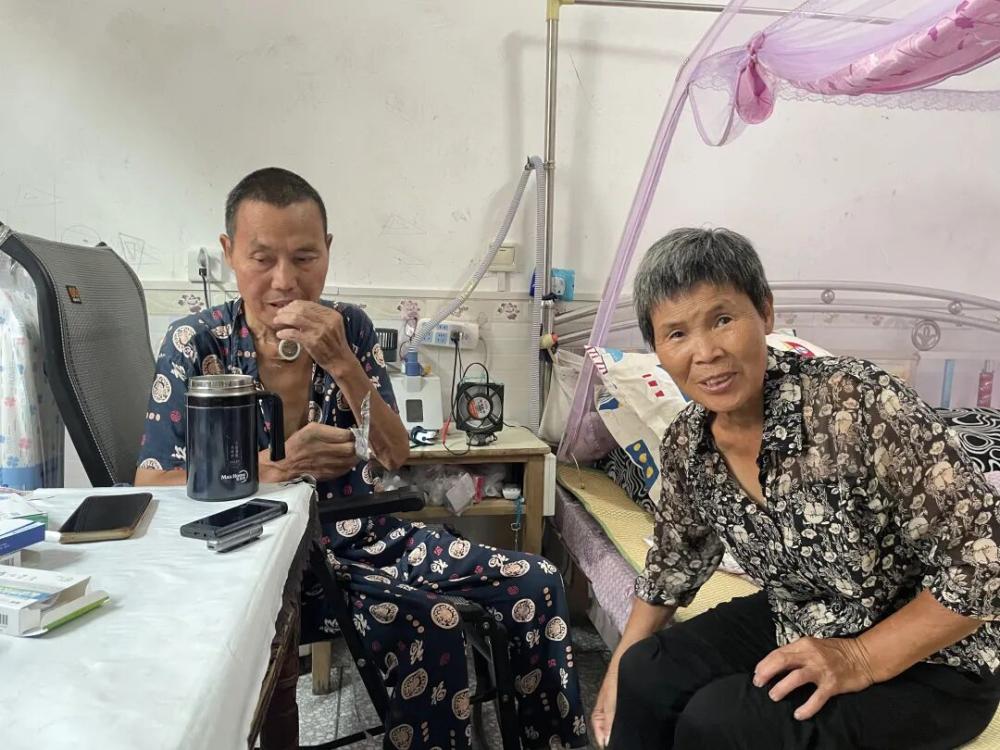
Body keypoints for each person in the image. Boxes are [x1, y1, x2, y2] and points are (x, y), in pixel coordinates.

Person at [136, 167, 586, 750]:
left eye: (304, 257)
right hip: (261, 562)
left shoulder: (350, 327)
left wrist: (342, 363)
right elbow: (151, 481)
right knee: (434, 622)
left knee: (537, 582)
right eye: (262, 258)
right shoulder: (196, 343)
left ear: (327, 250)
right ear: (229, 254)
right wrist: (276, 470)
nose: (284, 281)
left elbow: (395, 454)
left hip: (363, 537)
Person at [591, 227, 1000, 749]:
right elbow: (677, 558)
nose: (706, 352)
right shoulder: (688, 444)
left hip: (936, 660)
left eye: (722, 319)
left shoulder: (856, 403)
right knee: (647, 672)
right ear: (658, 350)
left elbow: (987, 560)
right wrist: (619, 667)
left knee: (720, 721)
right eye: (676, 334)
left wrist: (860, 657)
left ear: (765, 312)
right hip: (806, 612)